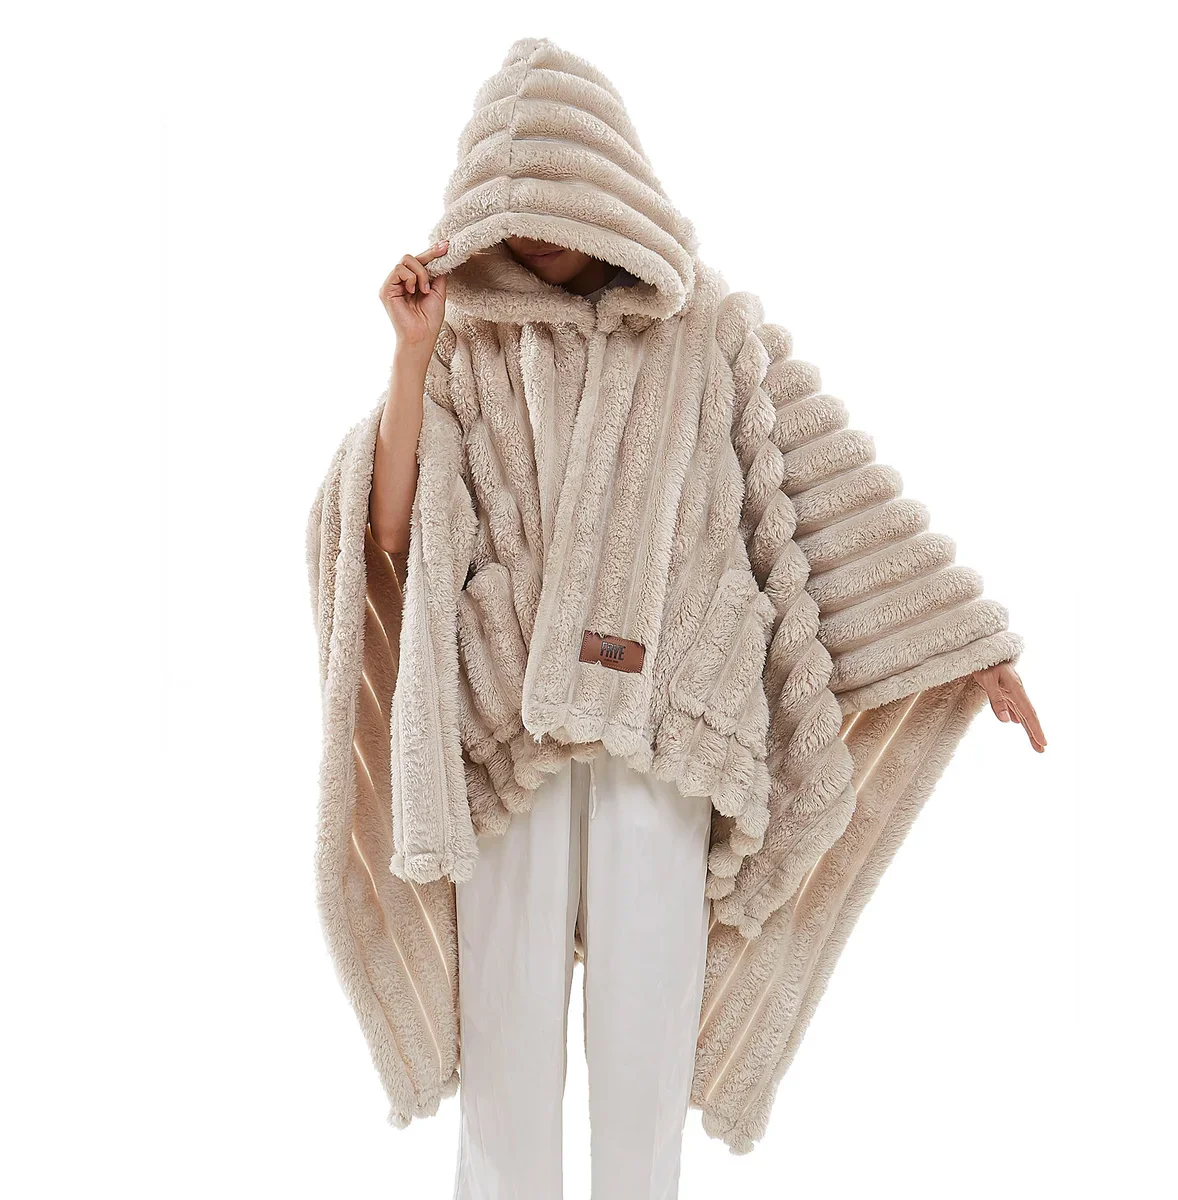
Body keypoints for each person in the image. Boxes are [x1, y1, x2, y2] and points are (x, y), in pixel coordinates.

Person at [312, 35, 1044, 1200]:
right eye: (515, 213)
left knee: (644, 1070)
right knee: (505, 1071)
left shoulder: (715, 335)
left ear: (609, 186)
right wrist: (411, 355)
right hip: (512, 747)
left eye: (560, 204)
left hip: (670, 739)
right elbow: (392, 533)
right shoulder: (466, 346)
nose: (538, 236)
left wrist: (963, 635)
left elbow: (825, 487)